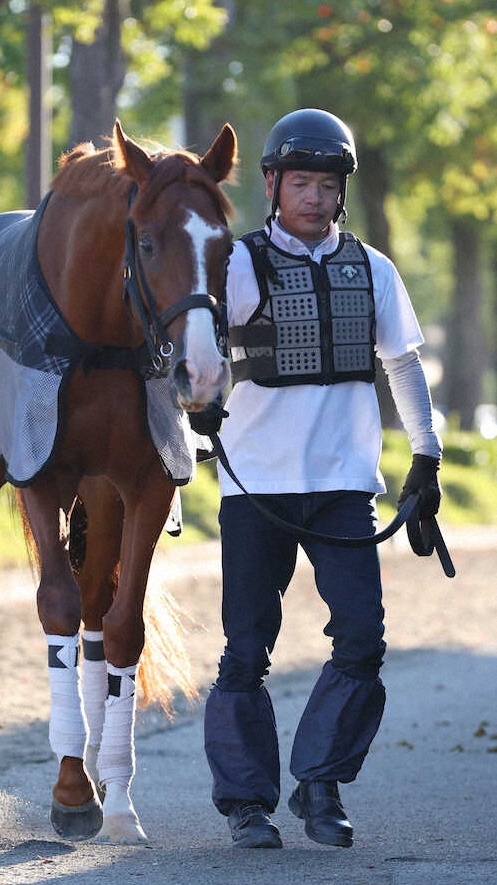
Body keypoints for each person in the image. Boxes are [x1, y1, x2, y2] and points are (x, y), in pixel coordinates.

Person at [198, 108, 442, 849]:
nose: (314, 196)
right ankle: (247, 803)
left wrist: (426, 456)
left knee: (362, 638)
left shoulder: (374, 268)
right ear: (272, 184)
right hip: (254, 489)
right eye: (300, 181)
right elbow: (193, 357)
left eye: (327, 184)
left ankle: (320, 783)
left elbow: (402, 364)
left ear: (343, 191)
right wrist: (190, 421)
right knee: (247, 649)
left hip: (343, 485)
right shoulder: (235, 266)